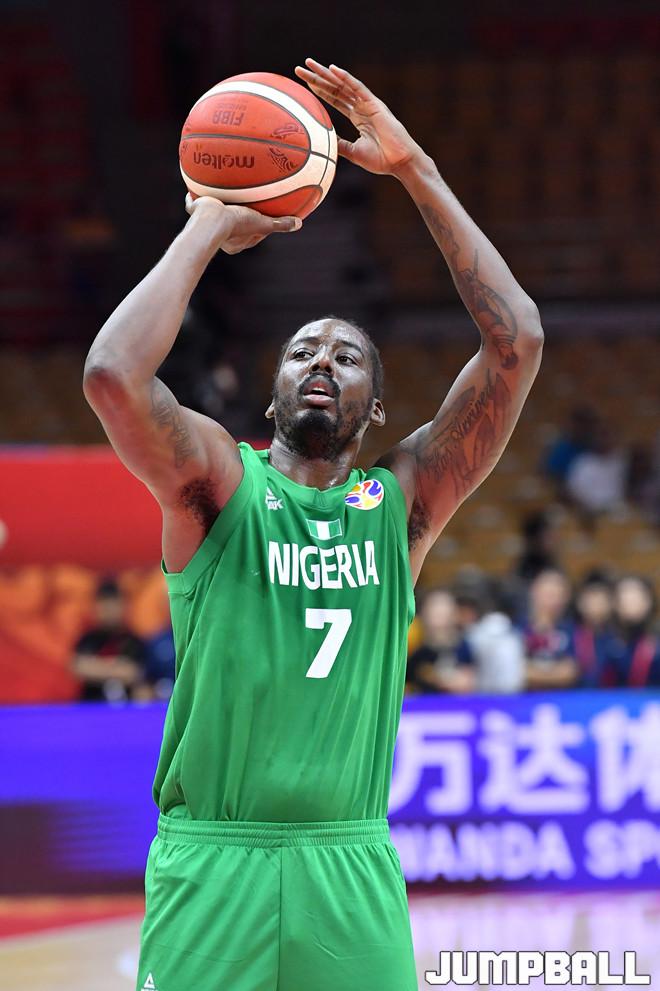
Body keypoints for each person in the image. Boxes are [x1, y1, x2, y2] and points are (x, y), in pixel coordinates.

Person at [82, 59, 544, 991]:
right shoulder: (218, 483)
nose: (322, 361)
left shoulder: (402, 504)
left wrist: (415, 169)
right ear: (274, 394)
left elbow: (517, 342)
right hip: (214, 863)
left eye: (347, 355)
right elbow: (112, 377)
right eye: (301, 351)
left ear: (377, 408)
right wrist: (208, 223)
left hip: (350, 864)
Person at [72, 578, 148, 702]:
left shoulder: (134, 641)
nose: (109, 611)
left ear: (123, 606)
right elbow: (79, 667)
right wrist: (117, 668)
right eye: (104, 605)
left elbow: (133, 672)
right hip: (91, 706)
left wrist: (96, 666)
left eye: (113, 605)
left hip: (126, 708)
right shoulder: (88, 639)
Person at [406, 588, 474, 694]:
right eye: (434, 612)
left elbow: (469, 678)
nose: (439, 618)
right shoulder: (416, 647)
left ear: (454, 614)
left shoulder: (463, 647)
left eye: (443, 612)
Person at [523, 568, 579, 689]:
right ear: (534, 591)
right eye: (548, 593)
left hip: (561, 698)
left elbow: (570, 672)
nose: (552, 600)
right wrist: (554, 674)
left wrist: (533, 673)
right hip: (525, 698)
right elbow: (516, 671)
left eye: (557, 594)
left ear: (566, 597)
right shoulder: (518, 628)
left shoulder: (572, 630)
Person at [606, 575, 660, 686]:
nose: (630, 603)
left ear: (649, 601)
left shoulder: (657, 639)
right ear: (615, 604)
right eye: (625, 597)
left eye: (636, 597)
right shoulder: (605, 638)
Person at [572, 572, 616, 687]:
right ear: (580, 602)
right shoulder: (569, 634)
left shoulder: (617, 638)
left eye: (603, 599)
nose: (597, 604)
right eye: (592, 597)